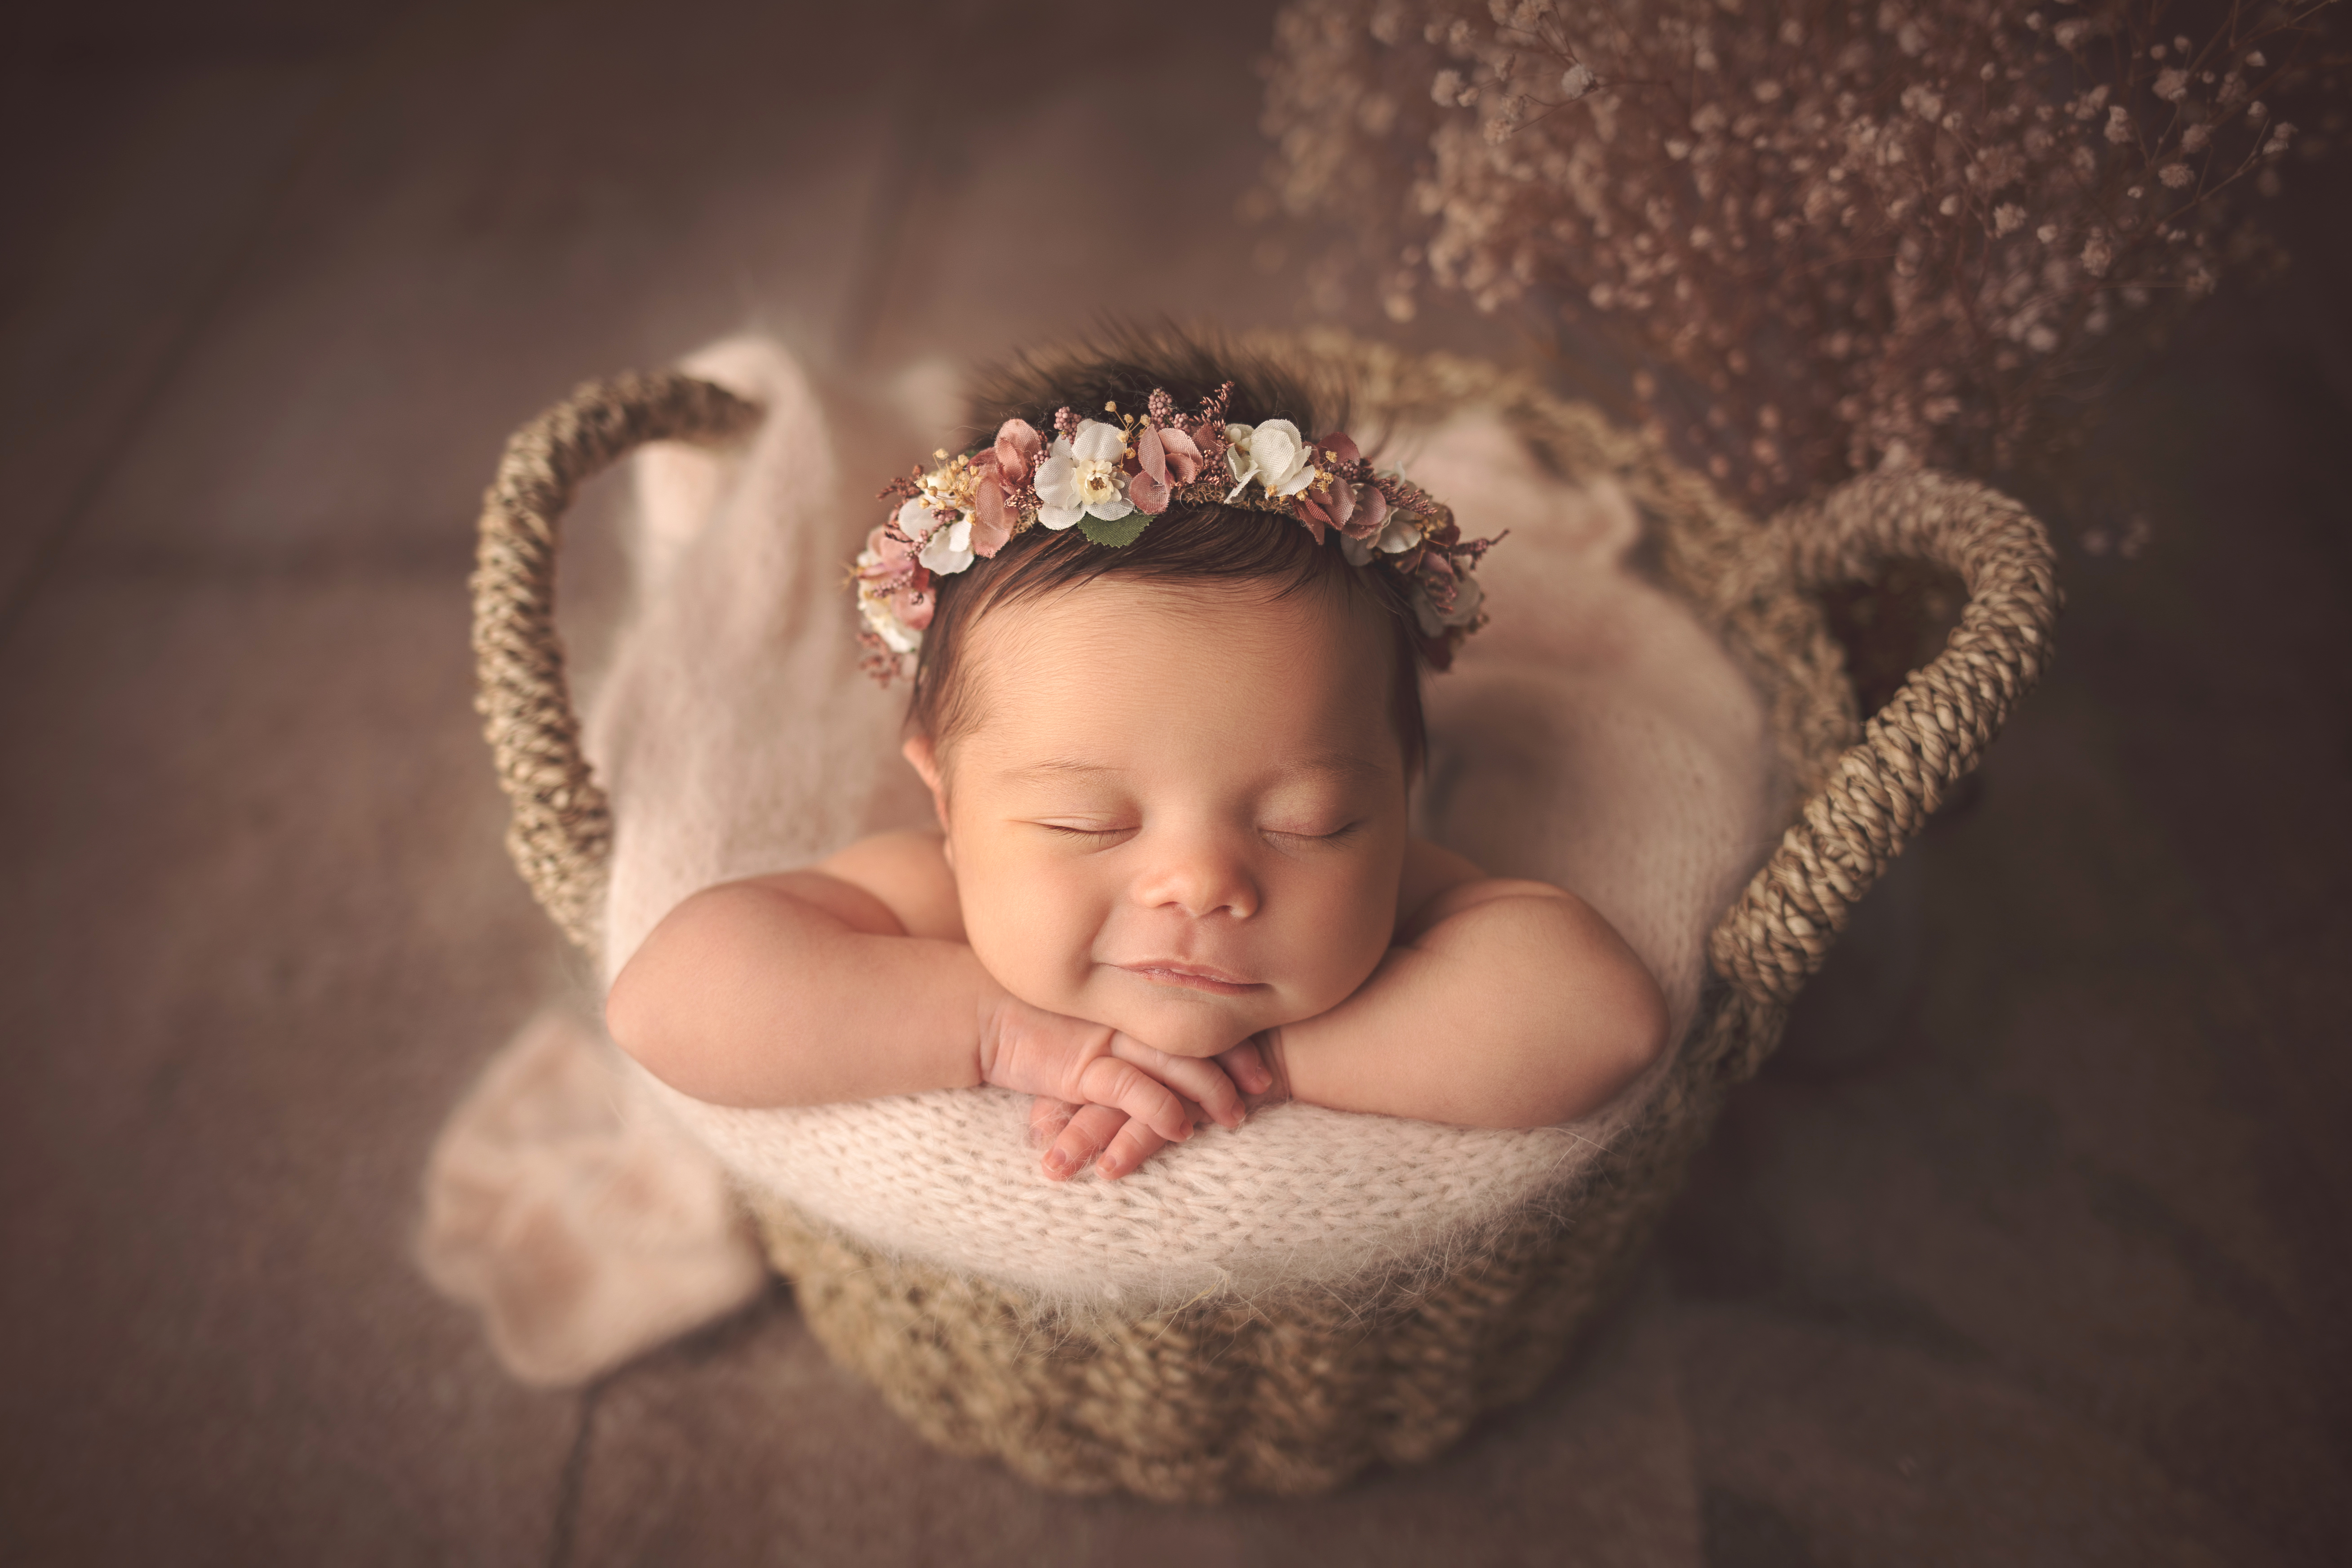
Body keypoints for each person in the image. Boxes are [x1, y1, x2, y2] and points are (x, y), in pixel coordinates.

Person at [605, 334, 1666, 1182]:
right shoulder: (931, 902)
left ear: (1398, 797)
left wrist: (1273, 1061)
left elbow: (1601, 1019)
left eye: (1308, 822)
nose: (1200, 882)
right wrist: (998, 1033)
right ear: (948, 806)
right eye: (1088, 822)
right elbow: (666, 1001)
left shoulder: (1390, 906)